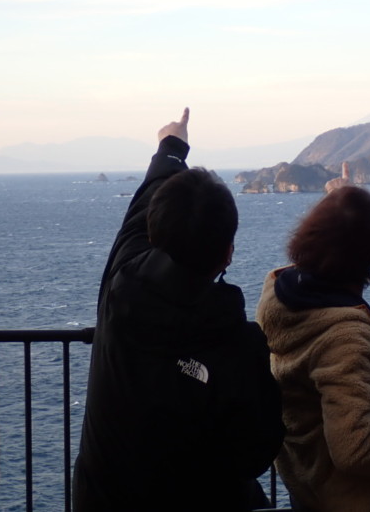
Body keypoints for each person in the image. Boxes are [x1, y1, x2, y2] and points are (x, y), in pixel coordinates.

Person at [73, 108, 284, 512]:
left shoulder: (121, 287)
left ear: (154, 231)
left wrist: (171, 147)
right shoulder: (241, 346)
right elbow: (256, 452)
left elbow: (141, 210)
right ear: (228, 253)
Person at [256, 185, 370, 512]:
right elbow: (356, 448)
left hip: (305, 481)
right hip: (350, 499)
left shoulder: (281, 297)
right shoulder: (346, 338)